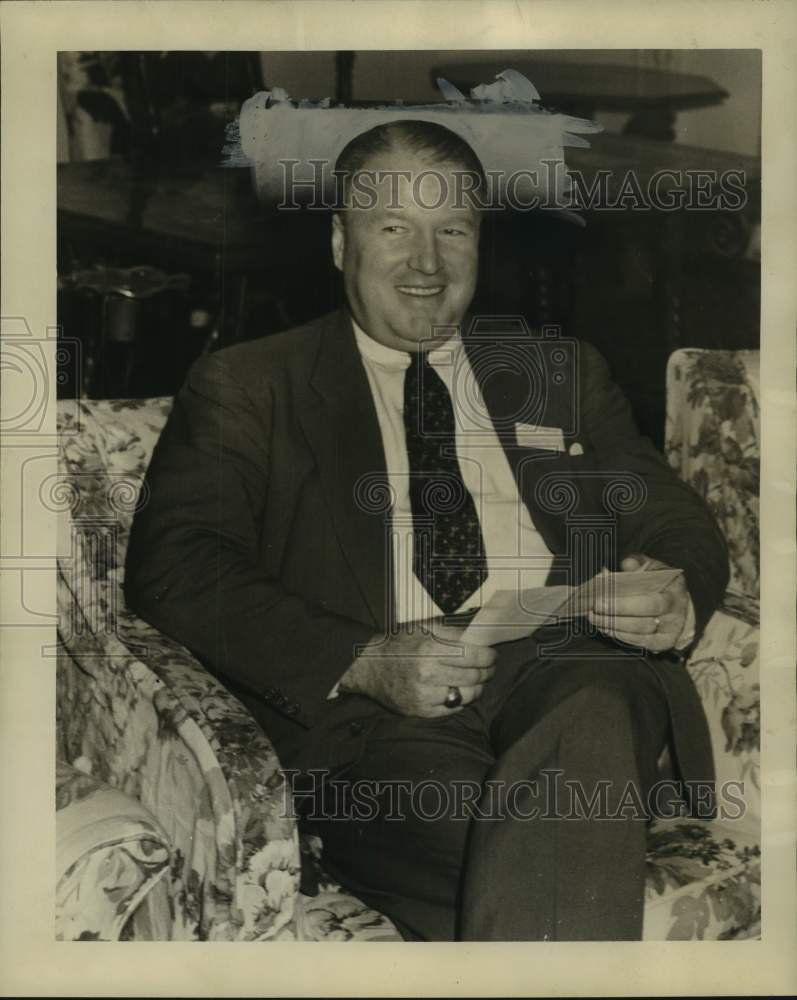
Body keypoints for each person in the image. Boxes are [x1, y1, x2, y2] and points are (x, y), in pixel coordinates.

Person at [124, 119, 729, 941]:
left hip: (566, 669)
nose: (426, 264)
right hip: (380, 727)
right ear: (341, 243)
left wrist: (677, 594)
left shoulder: (555, 373)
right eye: (393, 229)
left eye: (452, 230)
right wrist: (364, 658)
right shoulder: (250, 384)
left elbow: (668, 512)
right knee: (499, 833)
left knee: (591, 701)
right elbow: (179, 566)